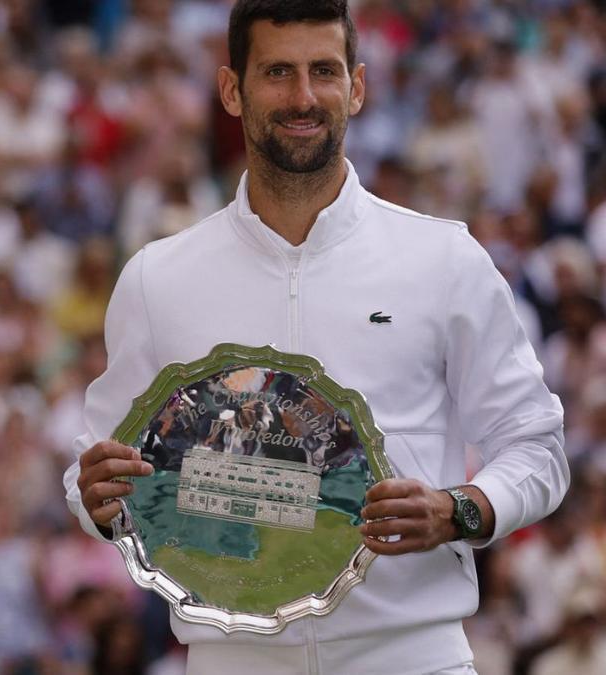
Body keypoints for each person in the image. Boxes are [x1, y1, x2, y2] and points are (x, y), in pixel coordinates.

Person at [64, 1, 568, 673]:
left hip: (412, 657)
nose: (303, 97)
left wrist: (459, 511)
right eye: (278, 72)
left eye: (323, 71)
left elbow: (537, 445)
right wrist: (98, 500)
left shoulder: (444, 259)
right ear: (231, 91)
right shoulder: (158, 278)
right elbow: (96, 468)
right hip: (231, 659)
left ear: (356, 87)